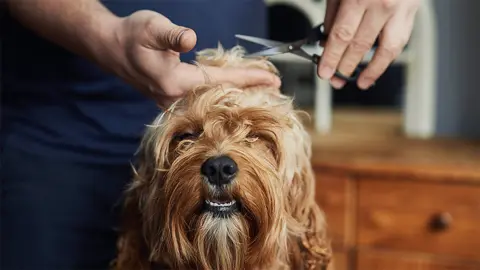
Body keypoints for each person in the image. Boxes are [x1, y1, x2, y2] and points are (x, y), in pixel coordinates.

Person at [0, 0, 419, 269]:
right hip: (58, 137)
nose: (221, 157)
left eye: (257, 139)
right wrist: (105, 34)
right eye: (187, 138)